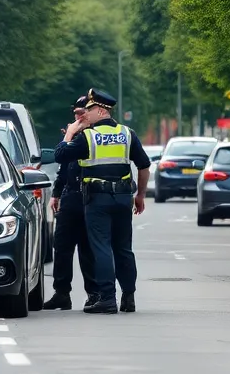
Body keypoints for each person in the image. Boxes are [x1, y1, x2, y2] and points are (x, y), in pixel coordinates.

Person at [54, 88, 151, 315]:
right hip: (123, 198)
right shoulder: (127, 133)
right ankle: (129, 296)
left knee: (102, 247)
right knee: (124, 248)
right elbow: (144, 165)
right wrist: (141, 196)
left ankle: (107, 298)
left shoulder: (88, 137)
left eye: (88, 111)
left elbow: (60, 155)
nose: (84, 115)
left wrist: (70, 133)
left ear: (99, 110)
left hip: (97, 199)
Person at [45, 97, 98, 310]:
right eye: (75, 113)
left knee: (88, 248)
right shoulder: (73, 135)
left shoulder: (94, 137)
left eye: (82, 113)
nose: (77, 117)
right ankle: (61, 293)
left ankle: (93, 293)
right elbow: (64, 168)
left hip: (90, 198)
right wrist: (56, 194)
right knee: (62, 246)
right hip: (70, 196)